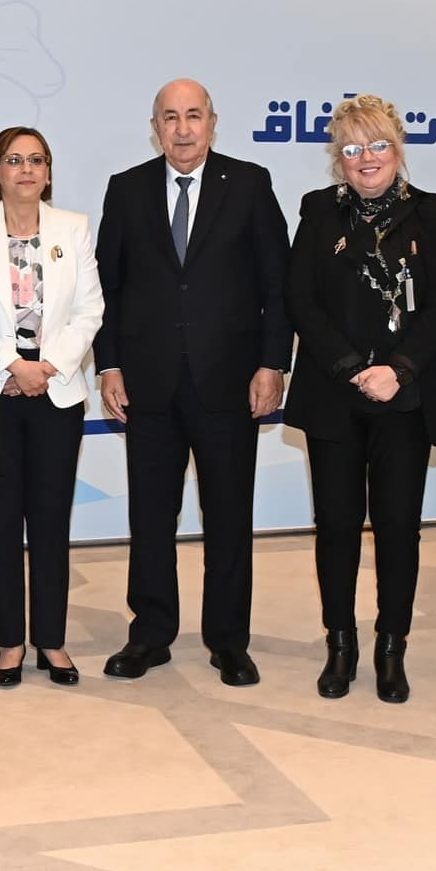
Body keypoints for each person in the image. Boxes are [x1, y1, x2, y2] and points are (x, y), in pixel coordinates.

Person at [95, 78, 290, 687]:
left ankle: (229, 642)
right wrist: (108, 365)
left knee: (228, 516)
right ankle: (150, 634)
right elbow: (108, 288)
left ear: (212, 122)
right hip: (147, 384)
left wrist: (272, 363)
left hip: (230, 382)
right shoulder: (126, 189)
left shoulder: (249, 184)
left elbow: (277, 284)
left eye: (193, 116)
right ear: (155, 127)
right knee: (151, 516)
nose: (182, 129)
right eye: (171, 117)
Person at [285, 95, 436, 704]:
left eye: (378, 145)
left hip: (404, 399)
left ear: (398, 149)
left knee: (397, 528)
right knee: (335, 526)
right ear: (339, 157)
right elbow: (301, 300)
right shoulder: (318, 211)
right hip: (335, 393)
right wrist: (354, 368)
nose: (367, 158)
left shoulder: (429, 213)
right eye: (353, 148)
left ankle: (391, 647)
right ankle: (341, 645)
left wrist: (398, 370)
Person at [0, 127, 103, 687]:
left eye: (36, 160)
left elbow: (89, 310)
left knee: (50, 521)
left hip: (56, 395)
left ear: (48, 172)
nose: (26, 169)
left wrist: (47, 367)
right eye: (14, 160)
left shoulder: (74, 227)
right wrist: (13, 366)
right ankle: (9, 642)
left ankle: (51, 640)